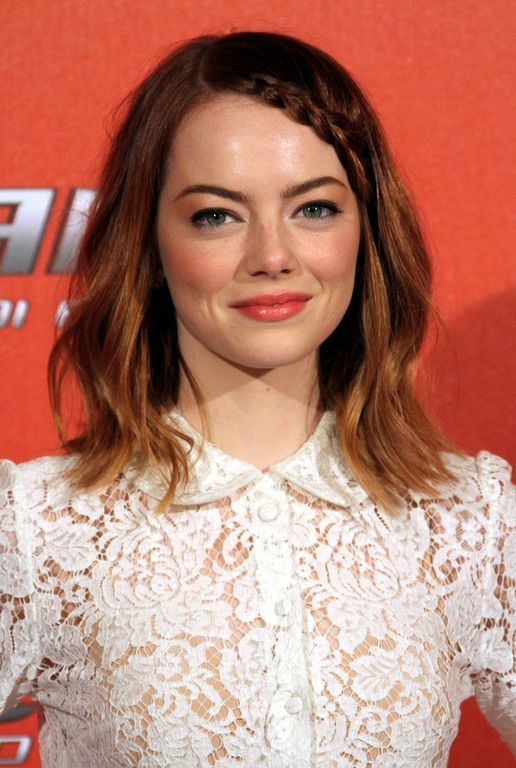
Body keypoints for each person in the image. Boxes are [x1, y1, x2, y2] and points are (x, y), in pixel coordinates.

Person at [0, 31, 514, 768]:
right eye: (216, 215)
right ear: (149, 243)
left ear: (367, 232)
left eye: (315, 209)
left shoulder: (468, 522)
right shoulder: (39, 532)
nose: (272, 256)